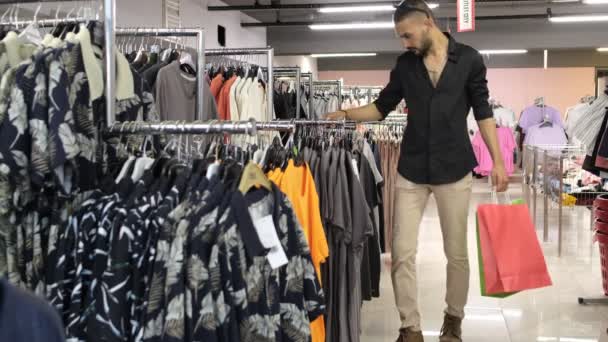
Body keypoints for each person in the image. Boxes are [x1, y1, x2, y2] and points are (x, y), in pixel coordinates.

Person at [326, 0, 509, 341]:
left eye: (407, 35)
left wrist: (498, 161)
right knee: (402, 254)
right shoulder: (405, 65)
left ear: (426, 23)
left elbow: (483, 112)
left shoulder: (469, 59)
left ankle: (453, 319)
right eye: (401, 38)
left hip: (455, 168)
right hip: (411, 168)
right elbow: (381, 108)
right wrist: (346, 115)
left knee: (456, 254)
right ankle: (410, 327)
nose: (405, 43)